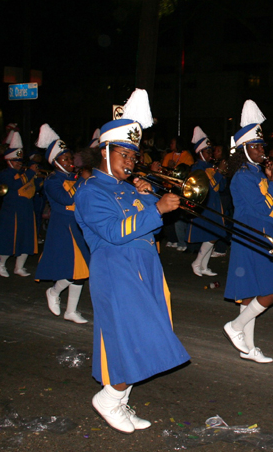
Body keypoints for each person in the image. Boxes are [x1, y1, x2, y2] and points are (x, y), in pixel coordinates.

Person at [74, 89, 188, 433]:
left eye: (133, 155)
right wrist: (155, 208)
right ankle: (109, 399)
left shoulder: (127, 188)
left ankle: (119, 402)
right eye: (123, 153)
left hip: (144, 267)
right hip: (117, 270)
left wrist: (148, 197)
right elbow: (113, 231)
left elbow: (147, 227)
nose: (130, 161)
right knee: (133, 339)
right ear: (104, 153)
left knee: (145, 337)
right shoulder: (91, 191)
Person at [221, 100, 273, 363]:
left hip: (261, 235)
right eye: (256, 146)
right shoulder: (242, 176)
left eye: (262, 146)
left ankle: (248, 348)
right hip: (251, 236)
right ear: (244, 149)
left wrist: (272, 181)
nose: (262, 150)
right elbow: (263, 208)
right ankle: (235, 327)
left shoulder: (257, 174)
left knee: (250, 296)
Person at [36, 124, 91, 324]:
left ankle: (71, 310)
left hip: (77, 225)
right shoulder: (52, 180)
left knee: (82, 270)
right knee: (72, 269)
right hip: (63, 227)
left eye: (70, 158)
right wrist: (81, 181)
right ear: (55, 162)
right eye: (65, 159)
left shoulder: (73, 178)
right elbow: (66, 199)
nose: (70, 162)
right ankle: (53, 290)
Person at [0, 131, 39, 277]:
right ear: (9, 160)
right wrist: (29, 173)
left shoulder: (24, 172)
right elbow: (14, 185)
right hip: (12, 210)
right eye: (16, 160)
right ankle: (0, 262)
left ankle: (19, 267)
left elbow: (36, 188)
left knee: (27, 239)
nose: (19, 163)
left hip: (27, 209)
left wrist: (37, 179)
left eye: (20, 161)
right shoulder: (5, 173)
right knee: (9, 239)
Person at [186, 126, 227, 277]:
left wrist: (221, 173)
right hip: (206, 206)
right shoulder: (197, 168)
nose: (211, 154)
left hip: (215, 205)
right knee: (212, 235)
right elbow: (213, 187)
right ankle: (197, 262)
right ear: (200, 152)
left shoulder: (210, 167)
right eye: (208, 151)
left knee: (214, 236)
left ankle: (203, 265)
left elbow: (221, 187)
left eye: (211, 151)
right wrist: (220, 172)